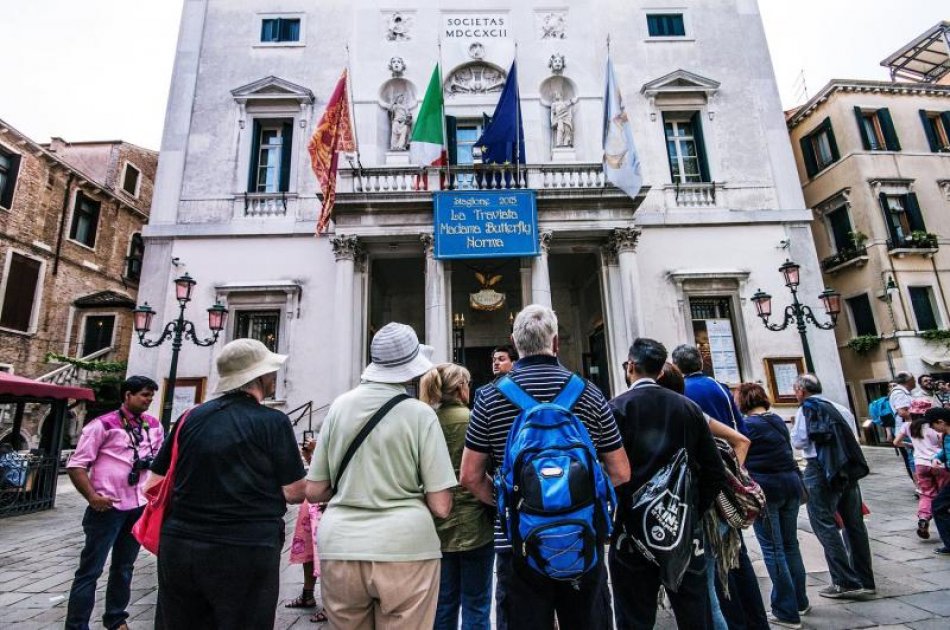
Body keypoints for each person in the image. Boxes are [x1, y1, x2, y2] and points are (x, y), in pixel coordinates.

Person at [460, 304, 630, 630]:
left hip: (517, 542)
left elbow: (469, 476)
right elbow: (621, 471)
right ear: (555, 343)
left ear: (515, 342)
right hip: (582, 537)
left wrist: (509, 503)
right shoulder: (590, 393)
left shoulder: (489, 398)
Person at [305, 323, 456, 629]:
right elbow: (441, 505)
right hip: (406, 547)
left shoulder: (338, 408)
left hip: (341, 545)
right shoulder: (420, 414)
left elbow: (315, 489)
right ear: (411, 367)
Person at [150, 339, 307, 629]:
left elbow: (155, 481)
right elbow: (295, 491)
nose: (274, 376)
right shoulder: (273, 422)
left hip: (181, 544)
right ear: (258, 376)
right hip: (246, 545)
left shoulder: (189, 418)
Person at [609, 339, 726, 629]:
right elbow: (714, 470)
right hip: (684, 530)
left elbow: (607, 473)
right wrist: (693, 511)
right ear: (662, 371)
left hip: (631, 533)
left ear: (631, 367)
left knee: (634, 617)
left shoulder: (616, 409)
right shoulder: (688, 408)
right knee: (695, 614)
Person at [672, 344, 767, 630]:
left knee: (714, 566)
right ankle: (756, 621)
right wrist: (734, 479)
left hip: (709, 485)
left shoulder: (683, 396)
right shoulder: (721, 388)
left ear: (677, 367)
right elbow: (742, 434)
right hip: (726, 485)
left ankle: (734, 622)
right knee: (736, 555)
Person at [65, 376, 163, 630]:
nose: (148, 400)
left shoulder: (153, 425)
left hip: (137, 504)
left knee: (124, 566)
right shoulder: (102, 425)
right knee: (90, 569)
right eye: (143, 395)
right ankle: (77, 625)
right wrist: (92, 497)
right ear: (127, 395)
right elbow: (76, 465)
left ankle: (116, 618)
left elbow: (159, 463)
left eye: (151, 396)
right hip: (107, 506)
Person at [420, 363, 494, 630]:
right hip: (476, 522)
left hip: (437, 522)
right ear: (461, 388)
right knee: (476, 602)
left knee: (443, 602)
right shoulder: (473, 418)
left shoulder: (426, 421)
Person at [792, 374, 875, 599]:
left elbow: (799, 441)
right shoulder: (840, 408)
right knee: (854, 523)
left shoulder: (806, 409)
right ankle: (865, 579)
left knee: (823, 522)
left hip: (820, 467)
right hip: (846, 467)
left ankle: (845, 580)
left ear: (801, 390)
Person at [737, 383, 809, 629]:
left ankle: (786, 610)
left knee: (772, 548)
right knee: (790, 545)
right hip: (791, 484)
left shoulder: (748, 426)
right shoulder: (776, 420)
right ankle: (800, 600)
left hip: (767, 489)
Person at [894, 399, 950, 540]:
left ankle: (924, 518)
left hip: (920, 463)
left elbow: (896, 442)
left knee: (927, 494)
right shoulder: (937, 430)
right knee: (942, 499)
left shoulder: (908, 426)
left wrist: (910, 446)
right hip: (939, 466)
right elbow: (944, 448)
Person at [285, 438, 327, 624]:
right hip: (311, 502)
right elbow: (317, 470)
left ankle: (330, 606)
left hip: (327, 502)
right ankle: (307, 594)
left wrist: (318, 451)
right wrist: (310, 455)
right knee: (309, 550)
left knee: (325, 555)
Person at [926, 407, 950, 555]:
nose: (932, 429)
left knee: (938, 505)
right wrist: (937, 458)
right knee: (938, 505)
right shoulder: (946, 435)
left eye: (932, 425)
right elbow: (945, 451)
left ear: (941, 422)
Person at [891, 372, 918, 485]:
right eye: (913, 379)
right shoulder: (899, 393)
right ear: (908, 380)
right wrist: (917, 420)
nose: (915, 381)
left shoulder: (903, 392)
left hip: (908, 429)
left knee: (913, 457)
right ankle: (919, 486)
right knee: (913, 458)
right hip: (908, 430)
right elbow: (902, 412)